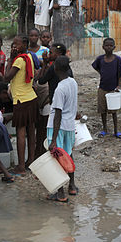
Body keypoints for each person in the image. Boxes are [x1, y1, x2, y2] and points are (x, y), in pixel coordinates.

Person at [4, 35, 38, 174]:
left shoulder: (18, 60)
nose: (14, 47)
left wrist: (10, 59)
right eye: (13, 44)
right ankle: (31, 160)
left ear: (24, 44)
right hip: (31, 97)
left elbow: (7, 77)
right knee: (31, 131)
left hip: (21, 100)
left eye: (16, 44)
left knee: (21, 133)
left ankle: (21, 166)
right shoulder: (28, 56)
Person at [47, 56, 78, 202]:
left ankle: (60, 193)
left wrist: (53, 140)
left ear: (55, 69)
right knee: (68, 155)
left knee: (57, 157)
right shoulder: (72, 82)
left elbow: (57, 113)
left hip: (58, 127)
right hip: (70, 126)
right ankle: (71, 185)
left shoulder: (60, 89)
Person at [92, 38, 121, 138]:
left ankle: (116, 130)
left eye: (111, 46)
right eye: (107, 45)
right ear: (103, 47)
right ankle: (104, 129)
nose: (109, 47)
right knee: (103, 110)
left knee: (113, 111)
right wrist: (101, 72)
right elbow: (95, 66)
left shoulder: (117, 59)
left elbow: (120, 74)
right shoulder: (100, 59)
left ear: (114, 47)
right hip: (102, 88)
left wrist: (119, 85)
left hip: (113, 89)